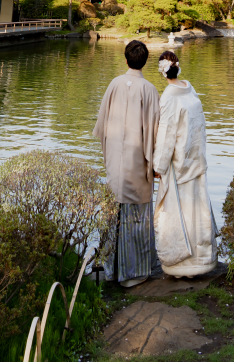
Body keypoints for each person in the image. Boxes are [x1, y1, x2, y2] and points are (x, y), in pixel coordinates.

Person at [93, 38, 161, 287]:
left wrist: (110, 151)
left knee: (114, 211)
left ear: (125, 59)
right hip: (137, 163)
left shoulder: (114, 84)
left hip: (115, 160)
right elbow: (154, 133)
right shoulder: (150, 90)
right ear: (145, 62)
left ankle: (111, 268)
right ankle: (134, 272)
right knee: (137, 216)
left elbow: (101, 126)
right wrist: (154, 165)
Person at [152, 49, 218, 278]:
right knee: (197, 211)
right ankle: (202, 260)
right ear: (178, 67)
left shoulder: (169, 96)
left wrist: (158, 166)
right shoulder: (190, 90)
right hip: (196, 158)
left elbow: (166, 133)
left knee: (177, 213)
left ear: (162, 72)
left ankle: (181, 265)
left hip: (179, 163)